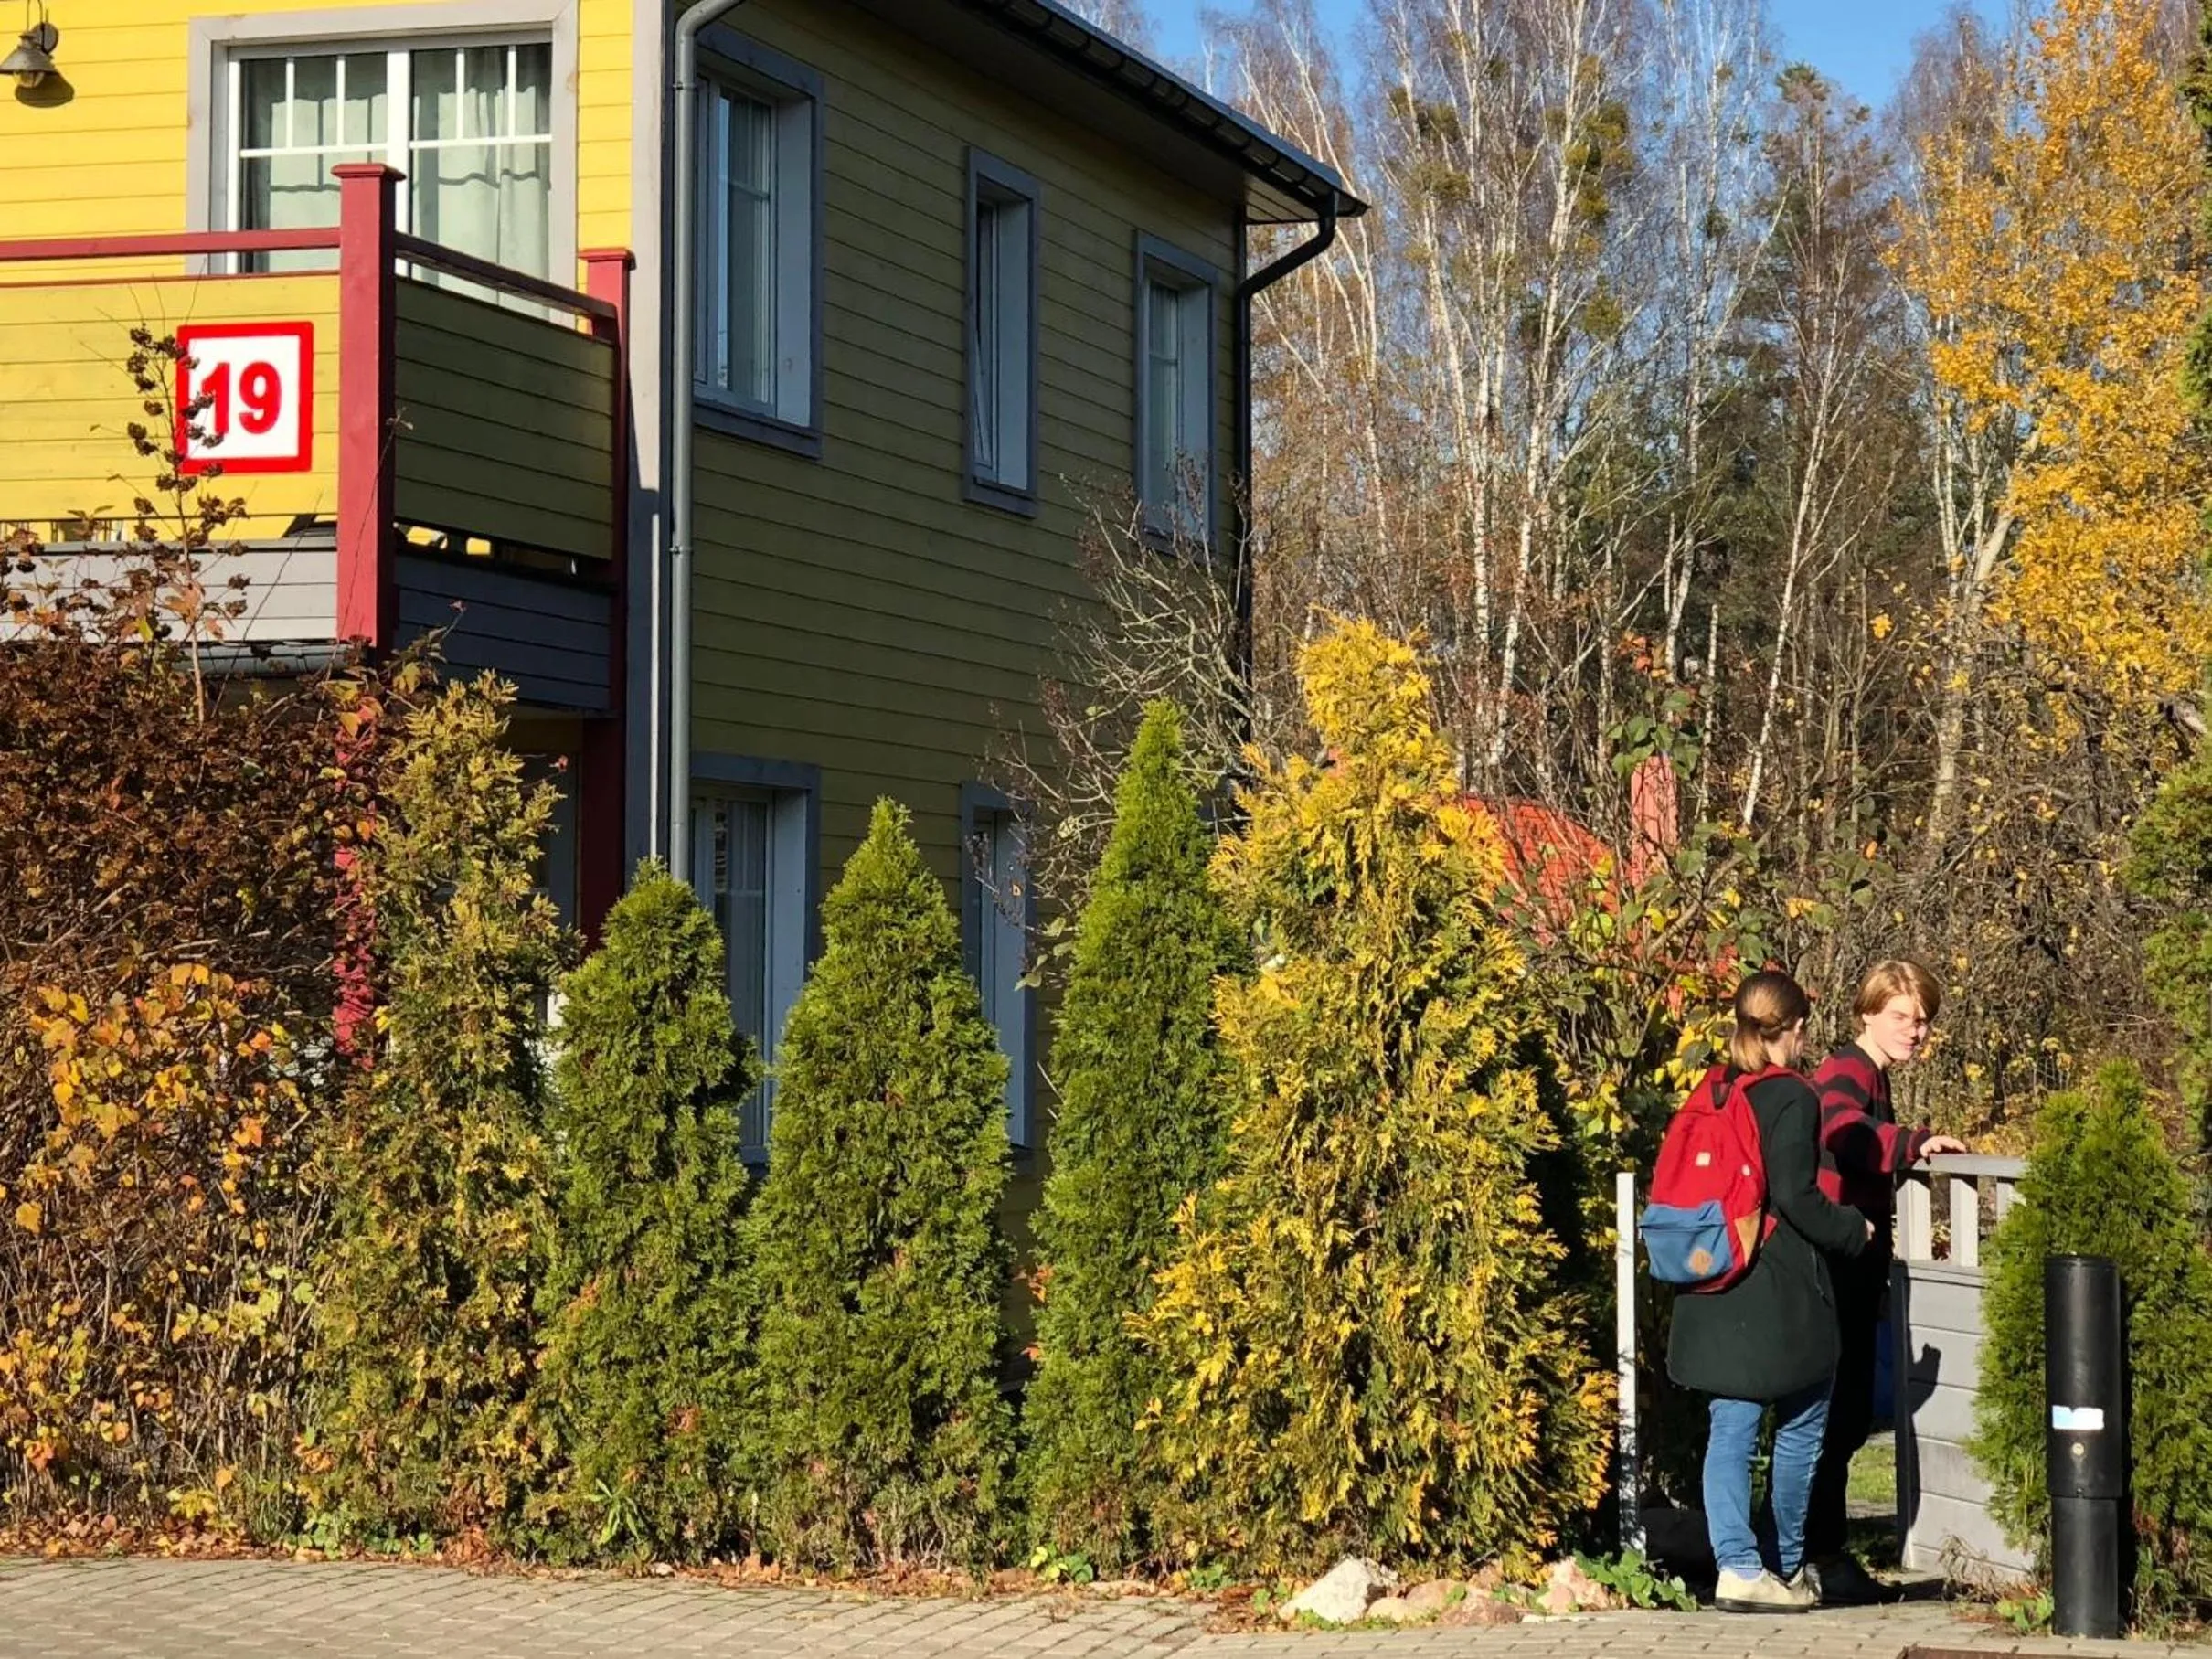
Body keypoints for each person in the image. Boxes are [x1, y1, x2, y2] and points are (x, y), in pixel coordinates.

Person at [1669, 970, 1872, 1613]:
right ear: (1797, 1027)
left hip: (1712, 1267)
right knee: (1804, 1420)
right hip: (1777, 1281)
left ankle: (1735, 1564)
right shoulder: (1793, 1095)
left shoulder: (1715, 1086)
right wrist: (1853, 1229)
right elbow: (1794, 1194)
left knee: (1730, 1423)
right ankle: (1781, 1565)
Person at [1802, 959, 1968, 1603]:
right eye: (1901, 1015)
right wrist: (1911, 1144)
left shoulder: (1874, 1075)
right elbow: (1840, 1127)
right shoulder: (1848, 1070)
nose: (1915, 1030)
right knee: (1834, 1417)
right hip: (1837, 1267)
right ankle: (1820, 1554)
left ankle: (1816, 1551)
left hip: (1852, 1267)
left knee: (1838, 1418)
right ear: (1867, 1012)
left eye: (1923, 1019)